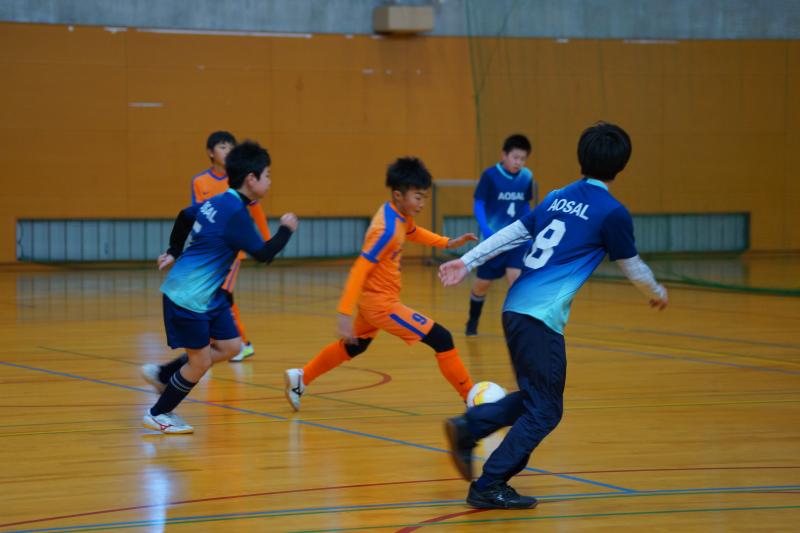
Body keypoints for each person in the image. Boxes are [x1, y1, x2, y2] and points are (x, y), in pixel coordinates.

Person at [439, 122, 668, 509]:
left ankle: (470, 426)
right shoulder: (612, 212)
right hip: (539, 318)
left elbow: (512, 232)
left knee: (536, 399)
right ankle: (489, 483)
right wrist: (657, 292)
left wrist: (467, 261)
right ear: (621, 166)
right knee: (546, 409)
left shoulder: (556, 197)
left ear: (581, 158)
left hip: (514, 308)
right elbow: (633, 267)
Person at [284, 157, 478, 411]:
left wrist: (447, 242)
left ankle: (301, 377)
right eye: (418, 197)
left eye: (424, 197)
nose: (422, 203)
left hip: (372, 301)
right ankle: (472, 399)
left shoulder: (396, 213)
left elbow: (412, 231)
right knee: (442, 338)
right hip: (381, 305)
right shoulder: (385, 230)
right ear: (398, 195)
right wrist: (343, 312)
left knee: (355, 346)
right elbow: (360, 268)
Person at [141, 141, 297, 434]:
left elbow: (185, 215)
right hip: (187, 296)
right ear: (251, 179)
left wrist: (174, 250)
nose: (270, 181)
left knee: (231, 346)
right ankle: (158, 413)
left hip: (208, 295)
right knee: (199, 363)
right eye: (267, 175)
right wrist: (286, 230)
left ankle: (165, 375)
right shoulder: (236, 214)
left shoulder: (220, 200)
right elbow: (264, 254)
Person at [192, 130, 272, 362]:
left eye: (230, 147)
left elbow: (256, 210)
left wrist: (267, 240)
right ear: (210, 153)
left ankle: (238, 342)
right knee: (218, 294)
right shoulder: (200, 181)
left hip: (233, 251)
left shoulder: (239, 180)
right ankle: (235, 342)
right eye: (222, 146)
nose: (227, 151)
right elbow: (198, 212)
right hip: (210, 249)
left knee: (222, 293)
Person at [466, 134, 537, 336]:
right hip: (494, 240)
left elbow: (525, 205)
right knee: (482, 285)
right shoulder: (490, 176)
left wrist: (529, 230)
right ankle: (472, 320)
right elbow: (479, 203)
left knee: (515, 280)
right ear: (503, 155)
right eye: (515, 157)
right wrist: (486, 230)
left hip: (517, 239)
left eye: (523, 159)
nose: (518, 162)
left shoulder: (527, 176)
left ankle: (518, 328)